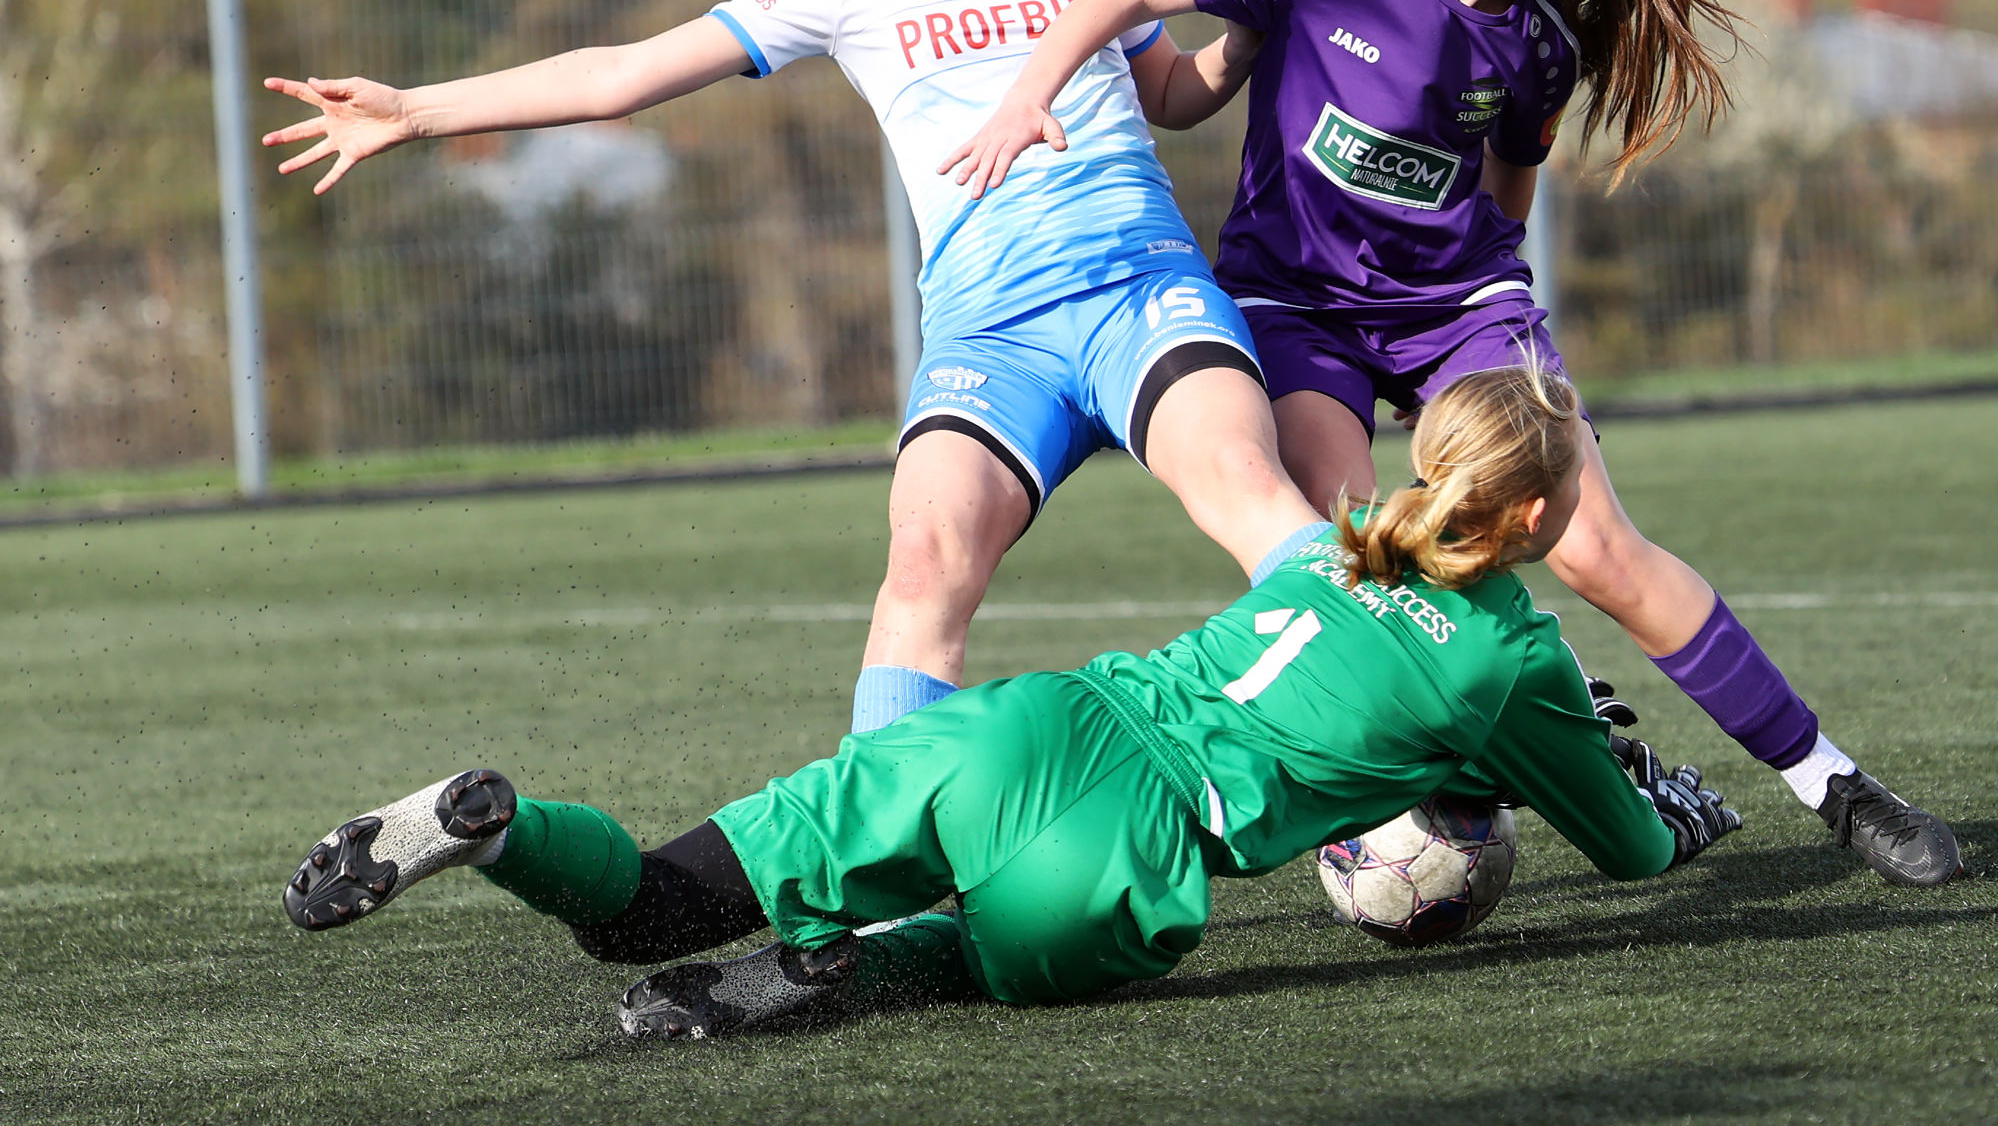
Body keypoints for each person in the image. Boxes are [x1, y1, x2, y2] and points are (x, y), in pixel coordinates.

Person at [938, 0, 1963, 886]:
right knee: (1352, 572)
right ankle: (1578, 733)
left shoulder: (1539, 46)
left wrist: (1481, 310)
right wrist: (1030, 96)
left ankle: (1840, 787)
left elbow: (1505, 192)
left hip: (1459, 306)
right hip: (1298, 307)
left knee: (1600, 551)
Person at [262, 0, 1326, 734]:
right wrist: (415, 111)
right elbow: (620, 77)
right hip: (990, 336)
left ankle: (1384, 772)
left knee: (1243, 478)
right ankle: (886, 881)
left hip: (1141, 292)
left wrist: (1246, 31)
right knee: (922, 559)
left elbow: (1176, 96)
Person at [281, 364, 1743, 1037]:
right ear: (1547, 516)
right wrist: (1669, 813)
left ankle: (498, 827)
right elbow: (1624, 850)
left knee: (647, 902)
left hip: (1019, 727)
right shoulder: (1519, 660)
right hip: (1125, 845)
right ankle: (829, 977)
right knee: (970, 954)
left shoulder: (1336, 537)